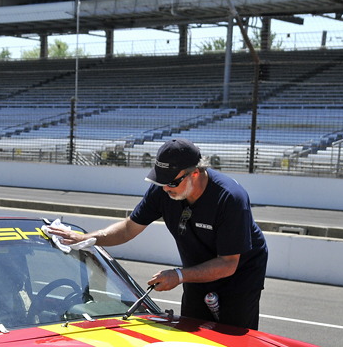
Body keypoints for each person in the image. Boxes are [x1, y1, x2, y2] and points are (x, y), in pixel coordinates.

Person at [49, 137, 268, 329]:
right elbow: (128, 228)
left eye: (171, 182)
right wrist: (87, 239)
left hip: (239, 273)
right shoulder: (164, 190)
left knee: (233, 337)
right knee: (192, 329)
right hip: (196, 270)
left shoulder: (230, 198)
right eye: (160, 180)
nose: (165, 188)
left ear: (195, 173)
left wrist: (180, 275)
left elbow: (229, 263)